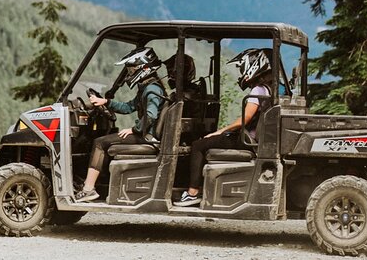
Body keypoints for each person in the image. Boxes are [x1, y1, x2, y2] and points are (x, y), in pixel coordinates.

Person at [173, 48, 273, 207]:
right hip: (252, 137)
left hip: (247, 138)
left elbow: (244, 119)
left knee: (198, 145)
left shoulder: (257, 90)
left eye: (242, 68)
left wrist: (222, 131)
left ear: (253, 67)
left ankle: (192, 193)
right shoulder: (268, 88)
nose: (241, 73)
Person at [75, 47, 166, 202]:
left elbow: (151, 115)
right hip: (145, 133)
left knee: (99, 143)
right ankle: (100, 183)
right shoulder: (147, 87)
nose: (129, 74)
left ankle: (88, 189)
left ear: (143, 68)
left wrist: (133, 129)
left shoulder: (151, 90)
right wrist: (106, 102)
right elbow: (129, 107)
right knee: (106, 140)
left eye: (131, 70)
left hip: (147, 137)